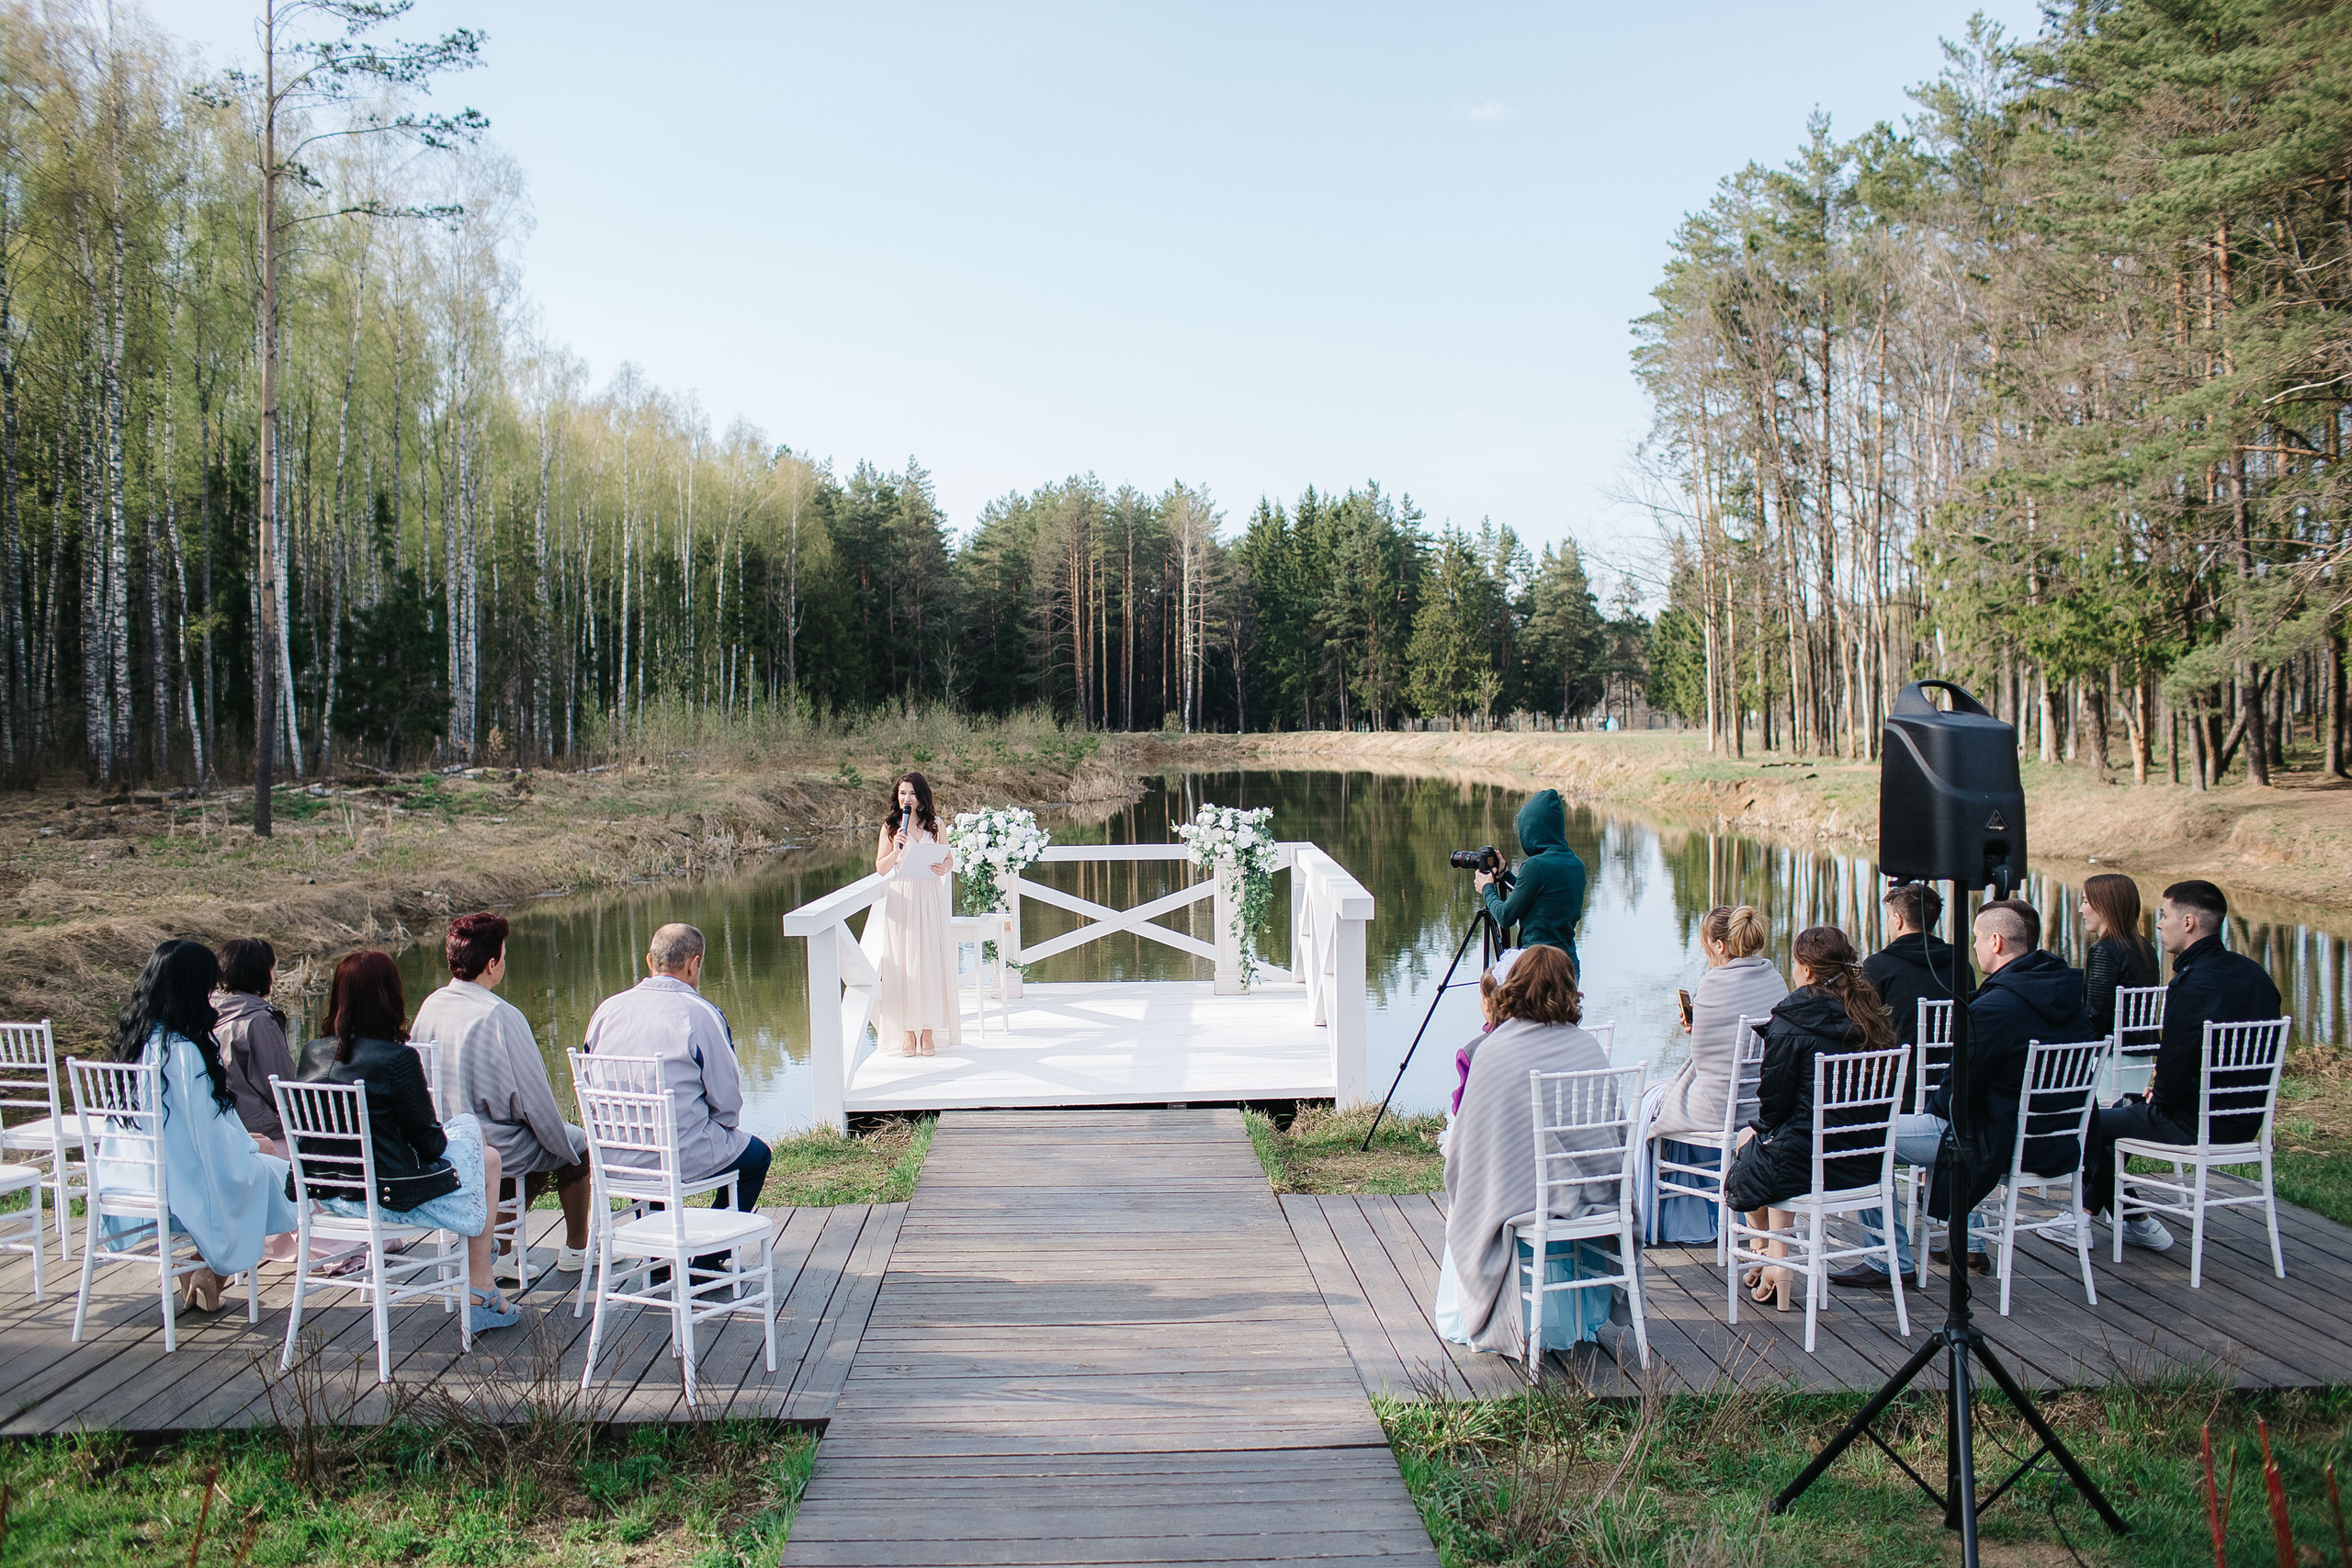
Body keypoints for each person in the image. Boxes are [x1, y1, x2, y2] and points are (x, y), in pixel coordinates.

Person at [1835, 898, 2088, 1288]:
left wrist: (1935, 1105)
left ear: (1997, 942)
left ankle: (1888, 1260)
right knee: (1949, 1120)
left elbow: (1955, 1098)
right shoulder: (2068, 996)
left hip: (1993, 1138)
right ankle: (1967, 1238)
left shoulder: (1996, 1007)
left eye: (1977, 939)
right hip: (2054, 1138)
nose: (1974, 947)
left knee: (1861, 1134)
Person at [298, 951, 521, 1333]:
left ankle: (482, 1251)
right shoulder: (397, 1059)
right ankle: (482, 1283)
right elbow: (431, 1146)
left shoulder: (311, 1053)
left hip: (331, 1195)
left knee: (475, 1148)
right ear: (390, 997)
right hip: (388, 1199)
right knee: (487, 1159)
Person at [2061, 880, 2283, 1250]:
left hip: (2190, 1121)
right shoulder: (2255, 975)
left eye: (2164, 916)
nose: (2159, 924)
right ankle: (2126, 1221)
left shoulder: (2190, 985)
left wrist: (2157, 1094)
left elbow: (2175, 1070)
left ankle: (2086, 1219)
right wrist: (2158, 1088)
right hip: (2244, 1121)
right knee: (2121, 1110)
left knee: (2087, 1122)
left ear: (2190, 922)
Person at [97, 941, 302, 1314]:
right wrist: (252, 1146)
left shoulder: (136, 1043)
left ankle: (205, 1268)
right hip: (178, 1184)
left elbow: (193, 1130)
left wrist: (245, 1141)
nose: (213, 996)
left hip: (131, 1177)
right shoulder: (183, 1050)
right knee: (278, 1175)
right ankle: (210, 1266)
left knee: (261, 1167)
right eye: (209, 987)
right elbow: (207, 1139)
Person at [1436, 944, 1620, 1359]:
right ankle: (1571, 1316)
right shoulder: (1588, 1048)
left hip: (1523, 1199)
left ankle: (1488, 1312)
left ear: (1516, 987)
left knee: (1471, 1195)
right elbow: (1612, 1131)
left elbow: (1469, 1144)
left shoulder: (1496, 1049)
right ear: (1568, 987)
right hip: (1591, 1194)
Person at [580, 921, 771, 1274]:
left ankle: (661, 1260)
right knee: (756, 1157)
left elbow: (592, 1081)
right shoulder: (699, 1013)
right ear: (692, 964)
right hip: (676, 1155)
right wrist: (719, 1129)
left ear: (650, 961)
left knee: (649, 1141)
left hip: (615, 1154)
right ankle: (705, 1262)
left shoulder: (606, 1011)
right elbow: (727, 1101)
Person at [1723, 925, 1896, 1312]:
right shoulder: (1873, 1016)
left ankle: (1769, 1256)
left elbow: (1774, 1104)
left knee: (1749, 1146)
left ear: (1806, 971)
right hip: (1865, 1161)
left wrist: (1763, 1131)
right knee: (1770, 1143)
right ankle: (1773, 1256)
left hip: (1809, 1164)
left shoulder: (1792, 1020)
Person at [410, 911, 593, 1279]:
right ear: (492, 964)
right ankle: (576, 1248)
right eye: (504, 957)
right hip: (489, 1141)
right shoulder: (501, 1015)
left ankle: (504, 1250)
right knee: (575, 1146)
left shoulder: (430, 1006)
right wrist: (560, 1139)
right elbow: (534, 1101)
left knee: (523, 1145)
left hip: (441, 1139)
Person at [1645, 905, 1788, 1243]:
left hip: (1723, 1105)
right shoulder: (1775, 977)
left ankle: (1670, 1218)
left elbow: (1702, 1057)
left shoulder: (1713, 983)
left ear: (1720, 946)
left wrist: (1695, 1028)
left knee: (1651, 1102)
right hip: (1763, 1104)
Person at [861, 771, 957, 1057]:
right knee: (903, 963)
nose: (907, 798)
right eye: (903, 793)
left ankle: (927, 1033)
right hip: (902, 897)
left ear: (921, 795)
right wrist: (896, 849)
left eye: (912, 793)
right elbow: (881, 867)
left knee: (929, 961)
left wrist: (944, 867)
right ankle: (906, 1033)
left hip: (929, 895)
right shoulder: (891, 826)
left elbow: (948, 858)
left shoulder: (935, 824)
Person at [1473, 789, 1588, 976]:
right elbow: (1541, 896)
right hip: (1569, 967)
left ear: (1533, 829)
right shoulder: (1576, 864)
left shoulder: (1535, 865)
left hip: (1540, 969)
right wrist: (1506, 876)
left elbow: (1506, 916)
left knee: (1494, 991)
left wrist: (1486, 888)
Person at [211, 938, 295, 1155]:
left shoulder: (207, 1014)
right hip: (263, 1132)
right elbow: (282, 1088)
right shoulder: (258, 1021)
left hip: (221, 1125)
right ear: (260, 972)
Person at [1861, 883, 1958, 1051]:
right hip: (1955, 1069)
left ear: (1898, 920)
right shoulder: (1959, 963)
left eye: (1890, 917)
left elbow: (1864, 1025)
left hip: (1900, 1071)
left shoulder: (1878, 965)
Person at [2077, 872, 2160, 1042]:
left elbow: (2097, 1016)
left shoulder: (2104, 950)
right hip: (2142, 1051)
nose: (2080, 909)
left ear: (2105, 905)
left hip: (2111, 1057)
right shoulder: (2145, 946)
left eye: (2086, 901)